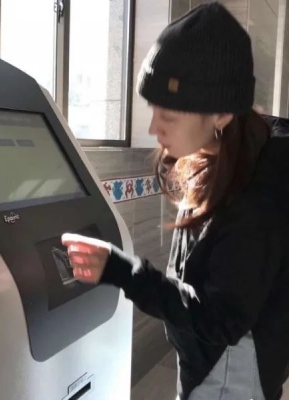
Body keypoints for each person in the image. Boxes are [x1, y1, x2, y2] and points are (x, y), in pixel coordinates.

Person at [62, 2, 289, 400]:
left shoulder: (257, 195)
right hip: (210, 361)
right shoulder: (223, 154)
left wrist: (122, 270)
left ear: (221, 114)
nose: (153, 128)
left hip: (228, 372)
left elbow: (222, 319)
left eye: (169, 115)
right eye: (153, 110)